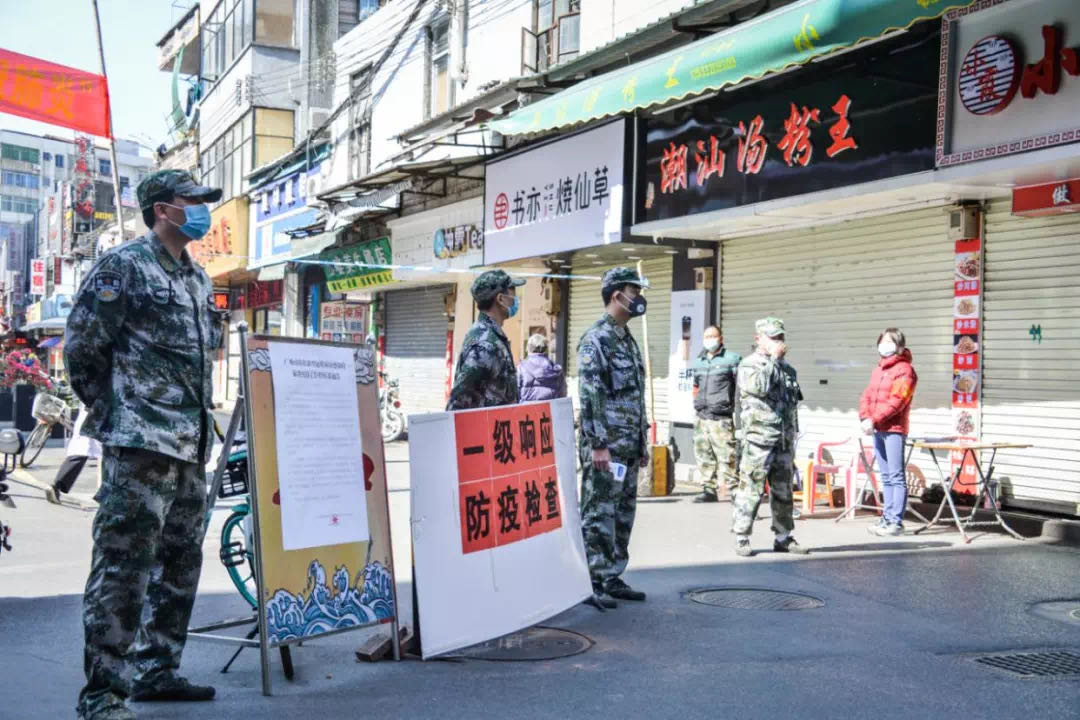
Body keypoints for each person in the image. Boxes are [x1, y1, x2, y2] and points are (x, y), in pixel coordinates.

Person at [67, 170, 227, 720]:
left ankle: (157, 670)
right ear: (162, 209)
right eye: (192, 201)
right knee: (123, 570)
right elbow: (83, 348)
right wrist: (116, 411)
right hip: (139, 446)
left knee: (180, 565)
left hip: (189, 447)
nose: (202, 210)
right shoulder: (125, 267)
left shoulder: (197, 278)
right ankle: (103, 694)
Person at [577, 267, 650, 608]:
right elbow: (590, 394)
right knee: (598, 514)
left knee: (622, 514)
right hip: (606, 447)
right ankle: (591, 581)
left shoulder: (627, 339)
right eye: (634, 291)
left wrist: (642, 441)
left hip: (628, 446)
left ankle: (612, 575)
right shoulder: (597, 339)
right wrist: (598, 444)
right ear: (617, 295)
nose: (639, 298)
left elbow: (636, 396)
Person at [731, 317, 808, 558]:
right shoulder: (749, 365)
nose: (778, 341)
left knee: (783, 490)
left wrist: (794, 432)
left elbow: (792, 404)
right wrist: (773, 360)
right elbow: (760, 387)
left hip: (783, 439)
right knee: (751, 488)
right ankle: (742, 536)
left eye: (780, 337)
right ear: (758, 339)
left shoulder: (788, 369)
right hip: (759, 438)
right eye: (773, 337)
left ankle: (783, 537)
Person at [859, 328, 917, 537]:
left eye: (889, 341)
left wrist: (874, 419)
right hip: (878, 429)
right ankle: (887, 517)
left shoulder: (905, 370)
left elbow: (898, 401)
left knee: (896, 476)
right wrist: (865, 417)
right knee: (886, 476)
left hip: (894, 429)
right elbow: (867, 395)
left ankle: (895, 522)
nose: (884, 345)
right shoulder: (879, 369)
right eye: (882, 341)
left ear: (900, 346)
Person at [446, 269, 525, 411]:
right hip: (485, 425)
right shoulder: (485, 344)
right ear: (500, 299)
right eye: (512, 292)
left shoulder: (492, 336)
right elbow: (458, 403)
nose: (516, 299)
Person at [690, 325, 741, 503]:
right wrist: (697, 403)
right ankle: (709, 490)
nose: (709, 339)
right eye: (706, 336)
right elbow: (695, 386)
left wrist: (736, 411)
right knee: (704, 455)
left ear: (720, 338)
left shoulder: (732, 359)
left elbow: (739, 388)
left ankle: (735, 490)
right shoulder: (699, 361)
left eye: (713, 336)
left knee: (727, 456)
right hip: (701, 416)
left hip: (721, 417)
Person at [518, 333, 567, 401]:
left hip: (526, 407)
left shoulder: (521, 368)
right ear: (546, 349)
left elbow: (515, 392)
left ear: (528, 348)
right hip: (551, 406)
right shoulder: (556, 370)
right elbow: (563, 393)